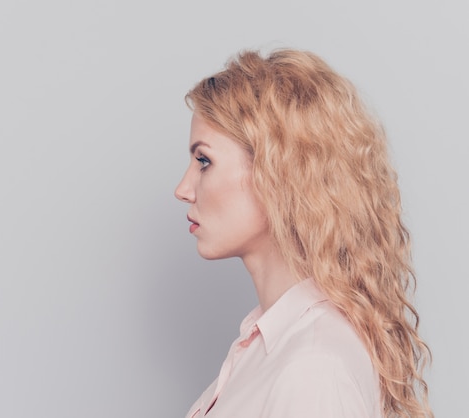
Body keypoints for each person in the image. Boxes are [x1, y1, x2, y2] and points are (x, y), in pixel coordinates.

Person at [174, 49, 433, 418]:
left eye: (204, 161)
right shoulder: (267, 345)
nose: (183, 189)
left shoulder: (312, 366)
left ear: (276, 174)